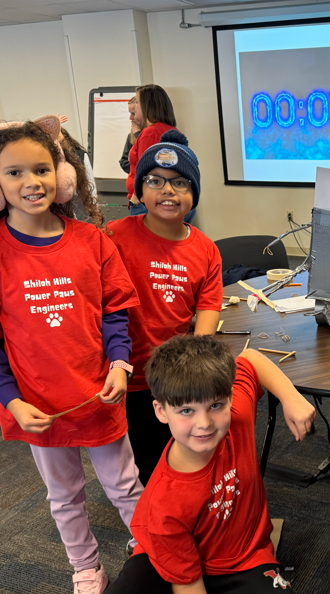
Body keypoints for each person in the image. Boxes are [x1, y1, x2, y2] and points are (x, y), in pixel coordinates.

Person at [0, 113, 144, 594]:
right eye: (14, 173)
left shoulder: (92, 240)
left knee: (125, 486)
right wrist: (11, 400)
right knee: (65, 497)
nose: (31, 182)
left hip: (98, 394)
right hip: (37, 405)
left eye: (41, 169)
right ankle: (87, 571)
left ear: (61, 173)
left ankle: (152, 552)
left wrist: (120, 364)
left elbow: (115, 313)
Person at [87, 335, 315, 594]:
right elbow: (187, 583)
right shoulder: (163, 503)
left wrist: (290, 396)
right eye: (186, 411)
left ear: (229, 398)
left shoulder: (235, 414)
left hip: (243, 559)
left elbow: (251, 359)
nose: (205, 423)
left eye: (215, 405)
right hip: (174, 564)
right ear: (160, 411)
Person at [108, 130, 223, 485]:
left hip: (174, 376)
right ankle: (150, 514)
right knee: (141, 461)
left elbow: (208, 307)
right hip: (128, 376)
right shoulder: (113, 236)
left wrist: (196, 368)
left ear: (193, 195)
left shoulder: (206, 249)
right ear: (139, 191)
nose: (168, 191)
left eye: (180, 183)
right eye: (155, 181)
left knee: (183, 453)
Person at [125, 85, 177, 216]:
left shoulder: (150, 133)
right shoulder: (169, 129)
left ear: (148, 105)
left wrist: (136, 198)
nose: (134, 106)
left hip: (147, 203)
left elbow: (146, 169)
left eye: (137, 102)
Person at [119, 96, 142, 174]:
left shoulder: (151, 134)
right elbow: (123, 162)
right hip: (134, 179)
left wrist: (138, 134)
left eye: (133, 114)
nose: (130, 118)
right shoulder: (131, 136)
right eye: (130, 113)